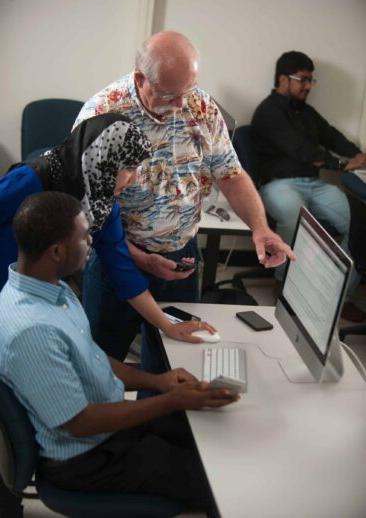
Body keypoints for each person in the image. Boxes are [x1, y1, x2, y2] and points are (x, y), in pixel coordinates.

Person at [0, 192, 238, 516]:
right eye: (84, 237)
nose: (91, 243)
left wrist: (159, 381)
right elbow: (79, 423)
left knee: (211, 434)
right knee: (224, 482)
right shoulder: (33, 331)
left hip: (107, 431)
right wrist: (170, 400)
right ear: (56, 251)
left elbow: (92, 356)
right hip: (88, 458)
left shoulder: (51, 289)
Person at [74, 31, 294, 358]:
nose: (181, 104)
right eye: (170, 93)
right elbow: (88, 211)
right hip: (118, 257)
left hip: (182, 259)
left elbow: (231, 175)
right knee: (101, 363)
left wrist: (260, 229)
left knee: (173, 362)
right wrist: (141, 258)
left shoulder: (199, 106)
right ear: (140, 78)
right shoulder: (102, 115)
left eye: (187, 89)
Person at [0, 113, 217, 361]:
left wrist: (167, 326)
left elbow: (122, 271)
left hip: (31, 296)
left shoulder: (101, 205)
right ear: (103, 158)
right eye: (129, 167)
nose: (134, 178)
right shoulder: (30, 179)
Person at [251, 50, 366, 321]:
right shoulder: (268, 112)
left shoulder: (306, 112)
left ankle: (339, 296)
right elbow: (301, 150)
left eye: (310, 81)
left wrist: (357, 155)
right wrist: (341, 165)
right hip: (278, 185)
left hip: (314, 185)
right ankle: (285, 284)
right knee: (295, 215)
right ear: (283, 79)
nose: (307, 87)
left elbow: (331, 136)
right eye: (302, 80)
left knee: (361, 224)